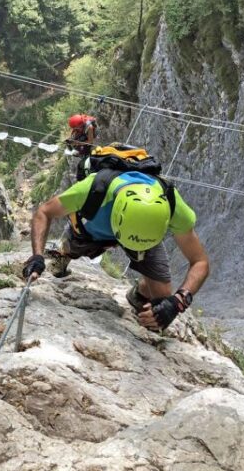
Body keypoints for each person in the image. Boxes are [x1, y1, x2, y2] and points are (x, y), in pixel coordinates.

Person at [22, 170, 209, 332]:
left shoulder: (172, 204)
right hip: (93, 230)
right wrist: (37, 255)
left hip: (142, 235)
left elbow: (200, 262)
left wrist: (178, 302)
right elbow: (44, 212)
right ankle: (65, 252)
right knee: (74, 245)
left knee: (161, 300)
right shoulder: (93, 189)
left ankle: (138, 294)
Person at [67, 114, 97, 180]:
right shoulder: (80, 124)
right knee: (74, 141)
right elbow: (75, 131)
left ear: (79, 125)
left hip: (90, 136)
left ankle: (84, 155)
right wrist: (71, 140)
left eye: (75, 127)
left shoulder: (89, 127)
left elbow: (90, 141)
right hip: (84, 132)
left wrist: (77, 143)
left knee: (83, 148)